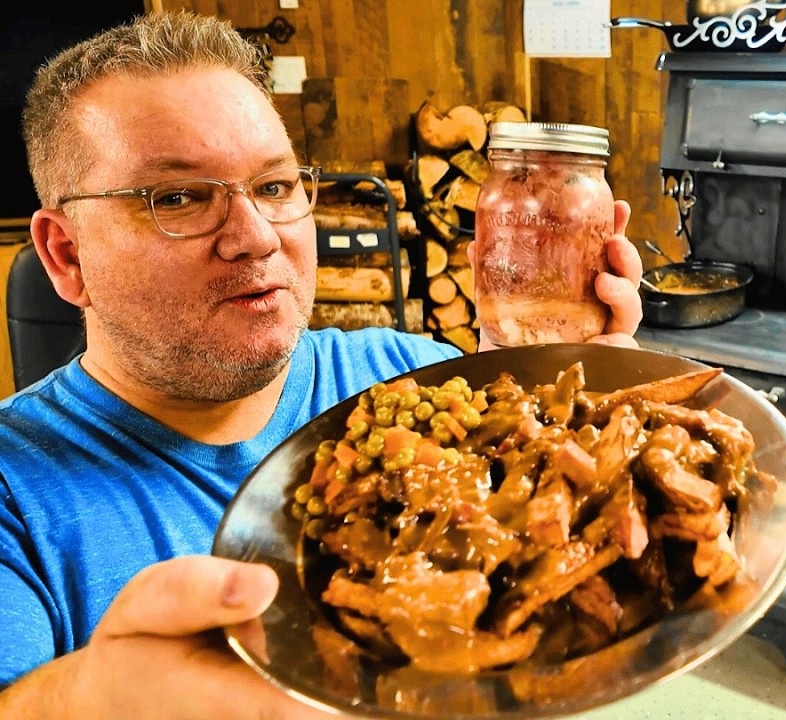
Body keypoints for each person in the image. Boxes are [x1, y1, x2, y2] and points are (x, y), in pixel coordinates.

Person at [0, 11, 642, 717]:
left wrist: (595, 446)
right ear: (66, 254)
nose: (254, 238)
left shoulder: (412, 380)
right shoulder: (16, 495)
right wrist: (77, 701)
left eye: (274, 187)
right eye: (177, 197)